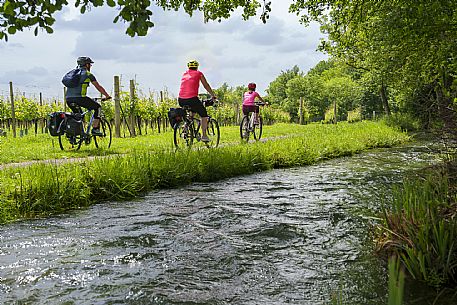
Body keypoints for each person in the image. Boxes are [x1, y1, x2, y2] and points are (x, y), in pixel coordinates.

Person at [65, 56, 111, 135]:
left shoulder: (72, 73)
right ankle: (95, 129)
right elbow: (98, 87)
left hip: (68, 99)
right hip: (80, 98)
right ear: (86, 65)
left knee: (78, 116)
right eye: (90, 64)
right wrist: (107, 96)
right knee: (97, 107)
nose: (90, 66)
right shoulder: (88, 74)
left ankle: (75, 134)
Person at [178, 60, 217, 142]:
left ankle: (186, 127)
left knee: (193, 110)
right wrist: (213, 95)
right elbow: (205, 85)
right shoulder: (199, 73)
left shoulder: (184, 74)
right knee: (204, 115)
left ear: (188, 67)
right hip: (192, 99)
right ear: (197, 67)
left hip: (181, 99)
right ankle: (204, 135)